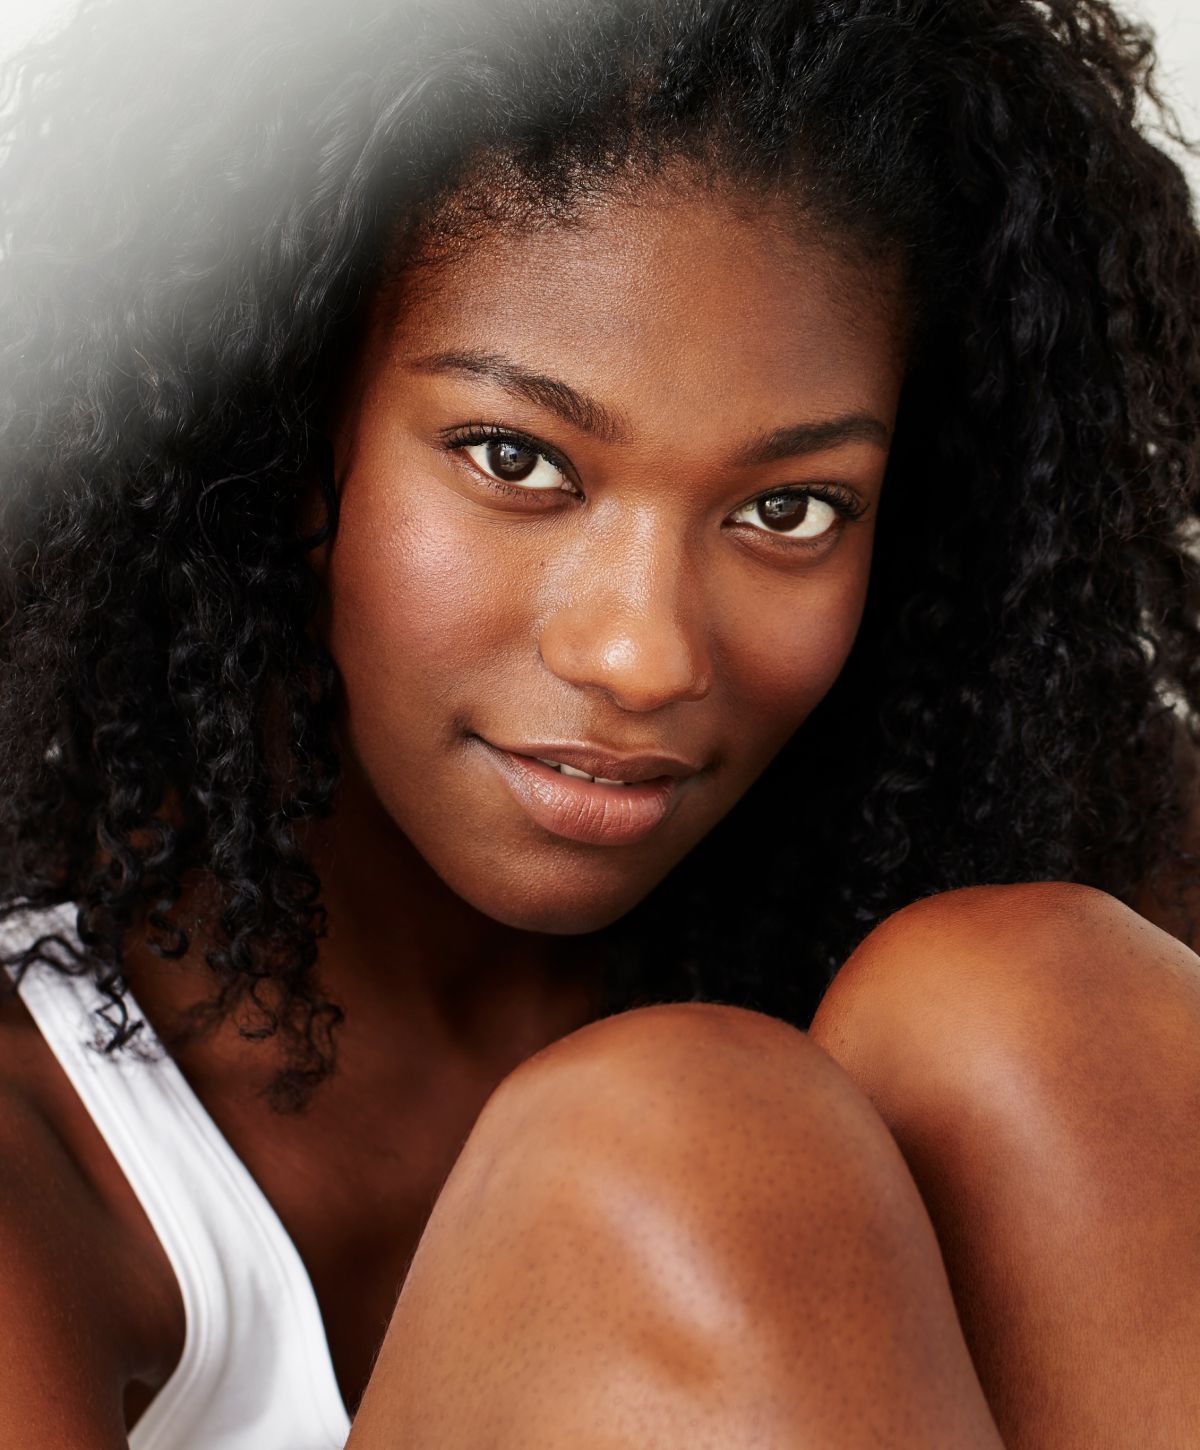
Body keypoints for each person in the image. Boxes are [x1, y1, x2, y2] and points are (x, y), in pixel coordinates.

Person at [1, 0, 1199, 1443]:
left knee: (1024, 1000)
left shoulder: (1038, 910)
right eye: (516, 459)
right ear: (271, 431)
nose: (642, 652)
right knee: (679, 1146)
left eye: (788, 508)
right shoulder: (38, 1153)